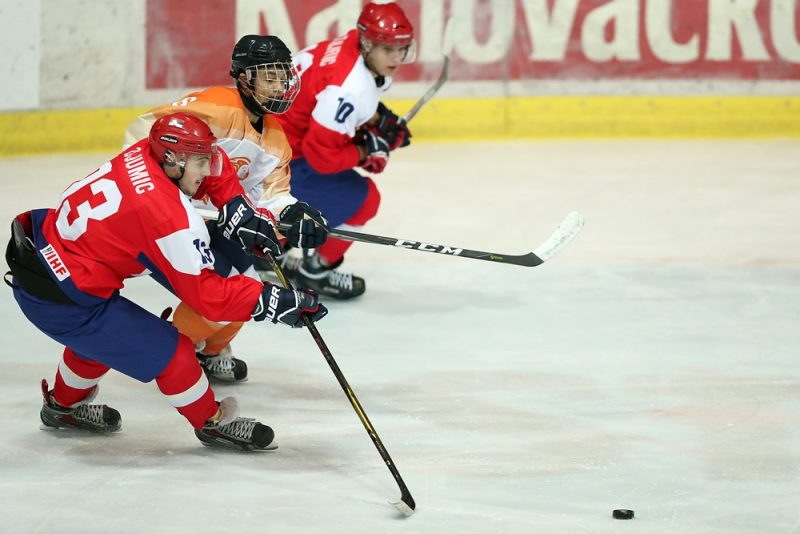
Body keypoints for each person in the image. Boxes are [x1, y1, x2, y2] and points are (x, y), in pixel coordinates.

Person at [4, 112, 326, 450]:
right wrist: (276, 301)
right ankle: (212, 422)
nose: (206, 170)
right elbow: (208, 296)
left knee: (104, 342)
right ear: (172, 158)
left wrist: (233, 203)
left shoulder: (146, 151)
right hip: (64, 297)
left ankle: (62, 407)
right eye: (200, 162)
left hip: (45, 262)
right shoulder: (167, 216)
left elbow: (211, 166)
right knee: (175, 354)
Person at [124, 35, 329, 383]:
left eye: (283, 75)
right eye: (269, 76)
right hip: (166, 220)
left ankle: (211, 350)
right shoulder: (217, 107)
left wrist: (294, 214)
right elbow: (143, 133)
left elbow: (271, 195)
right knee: (233, 289)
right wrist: (168, 198)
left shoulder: (277, 139)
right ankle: (170, 349)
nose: (280, 84)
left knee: (245, 286)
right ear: (244, 78)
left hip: (212, 222)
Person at [275, 2, 415, 300]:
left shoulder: (350, 45)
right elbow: (321, 158)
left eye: (401, 48)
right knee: (364, 198)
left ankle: (274, 248)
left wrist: (377, 121)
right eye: (386, 49)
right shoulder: (349, 89)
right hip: (275, 161)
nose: (396, 58)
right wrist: (365, 152)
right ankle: (314, 271)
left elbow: (324, 98)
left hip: (273, 139)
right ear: (367, 43)